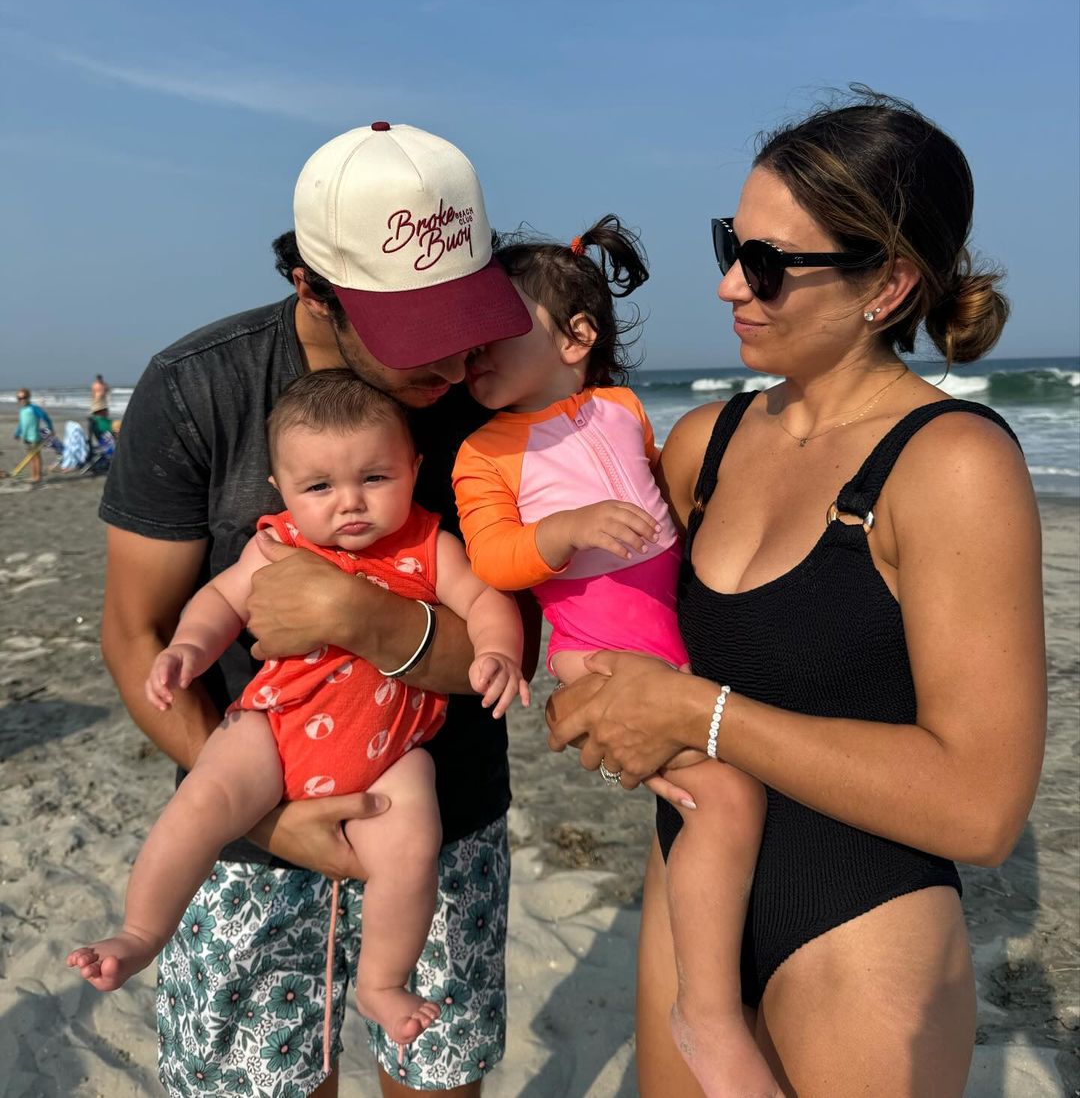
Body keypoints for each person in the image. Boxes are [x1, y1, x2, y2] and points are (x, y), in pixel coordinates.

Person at [547, 91, 1046, 1097]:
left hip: (859, 928)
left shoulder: (950, 467)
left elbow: (984, 807)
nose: (731, 284)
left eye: (770, 264)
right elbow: (596, 614)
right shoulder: (705, 446)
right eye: (732, 243)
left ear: (889, 283)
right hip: (693, 916)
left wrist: (699, 713)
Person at [97, 121, 539, 1098]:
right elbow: (137, 633)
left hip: (437, 822)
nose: (454, 362)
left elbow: (516, 644)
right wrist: (268, 821)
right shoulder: (198, 389)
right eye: (415, 332)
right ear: (313, 288)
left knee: (436, 1076)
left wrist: (361, 616)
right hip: (252, 825)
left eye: (466, 316)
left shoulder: (497, 397)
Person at [71, 369, 527, 1057]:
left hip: (390, 755)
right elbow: (221, 601)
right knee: (203, 802)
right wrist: (188, 650)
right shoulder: (276, 543)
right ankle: (140, 931)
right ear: (282, 490)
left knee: (411, 848)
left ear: (414, 468)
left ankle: (382, 982)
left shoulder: (428, 544)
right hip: (276, 729)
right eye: (320, 488)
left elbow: (489, 602)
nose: (350, 504)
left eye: (375, 478)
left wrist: (497, 651)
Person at [452, 217, 779, 1094]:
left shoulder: (623, 409)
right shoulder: (483, 451)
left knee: (715, 795)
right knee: (726, 795)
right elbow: (492, 557)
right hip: (594, 651)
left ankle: (728, 982)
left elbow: (663, 487)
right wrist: (563, 530)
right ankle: (706, 1015)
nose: (471, 353)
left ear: (576, 338)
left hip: (672, 645)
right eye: (467, 341)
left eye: (494, 334)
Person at [14, 388, 54, 484]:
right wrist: (17, 433)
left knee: (36, 456)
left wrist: (50, 428)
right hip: (26, 437)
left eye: (24, 397)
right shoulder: (22, 410)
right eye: (19, 398)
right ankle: (33, 475)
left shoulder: (34, 408)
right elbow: (21, 424)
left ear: (28, 397)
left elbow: (45, 417)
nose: (22, 400)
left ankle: (38, 476)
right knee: (31, 457)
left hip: (34, 437)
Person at [88, 373, 112, 451]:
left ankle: (103, 439)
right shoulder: (95, 385)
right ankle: (102, 440)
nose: (99, 379)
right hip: (97, 405)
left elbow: (108, 391)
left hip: (102, 404)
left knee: (103, 423)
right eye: (99, 378)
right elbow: (93, 394)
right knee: (97, 423)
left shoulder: (103, 385)